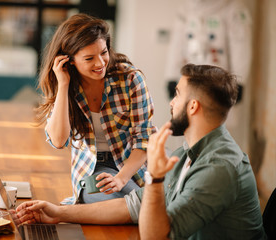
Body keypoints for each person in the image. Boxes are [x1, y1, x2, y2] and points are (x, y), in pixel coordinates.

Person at [16, 64, 265, 239]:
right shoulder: (191, 152)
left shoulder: (218, 168)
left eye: (176, 95)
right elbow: (132, 206)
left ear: (192, 106)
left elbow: (156, 236)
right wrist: (58, 213)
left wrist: (155, 177)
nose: (171, 102)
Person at [35, 13, 156, 204]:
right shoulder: (67, 85)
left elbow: (144, 139)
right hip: (92, 170)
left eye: (104, 52)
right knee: (135, 206)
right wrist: (64, 85)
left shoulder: (130, 79)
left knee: (145, 205)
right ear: (70, 60)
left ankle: (68, 212)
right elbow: (58, 141)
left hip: (132, 169)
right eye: (89, 58)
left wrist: (121, 178)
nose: (100, 63)